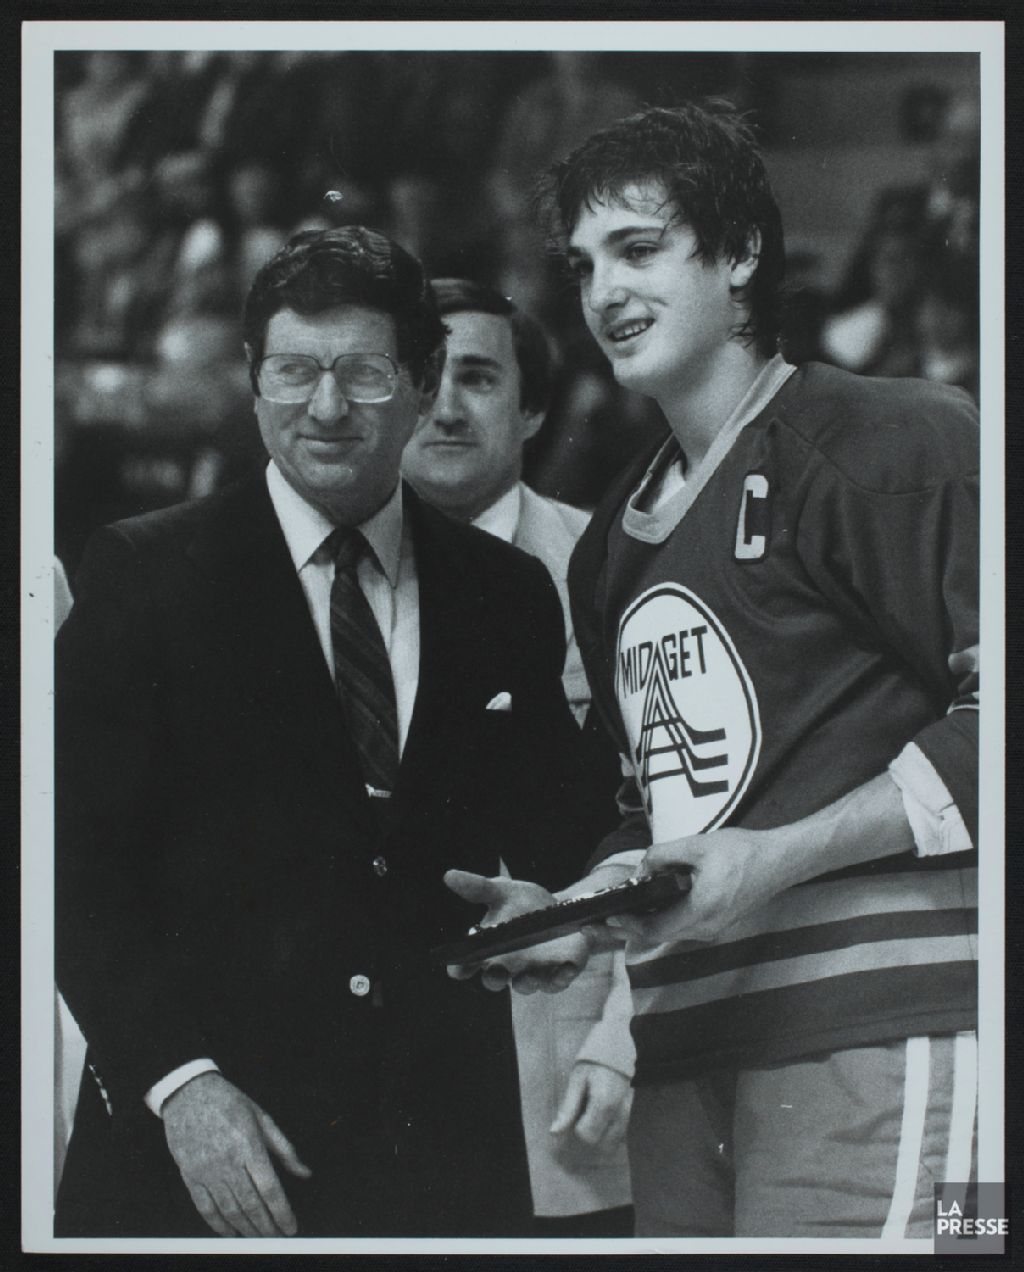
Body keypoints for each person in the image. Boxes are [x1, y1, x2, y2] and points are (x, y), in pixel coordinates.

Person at [446, 101, 979, 1239]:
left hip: (882, 1031)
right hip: (684, 1047)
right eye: (583, 265)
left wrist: (775, 859)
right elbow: (674, 804)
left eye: (638, 249)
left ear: (739, 251)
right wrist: (589, 908)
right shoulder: (608, 546)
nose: (604, 291)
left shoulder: (897, 438)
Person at [54, 226, 611, 1239]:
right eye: (294, 371)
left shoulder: (507, 592)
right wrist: (180, 1084)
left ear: (419, 381)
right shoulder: (144, 574)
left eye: (362, 373)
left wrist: (555, 908)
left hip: (436, 1163)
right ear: (252, 377)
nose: (324, 407)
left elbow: (560, 828)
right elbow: (67, 864)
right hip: (204, 1159)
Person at [402, 278, 634, 1235]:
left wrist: (624, 1032)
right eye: (425, 377)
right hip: (386, 1074)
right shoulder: (323, 582)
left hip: (565, 1061)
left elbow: (672, 815)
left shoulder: (609, 567)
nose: (447, 407)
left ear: (534, 409)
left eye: (479, 377)